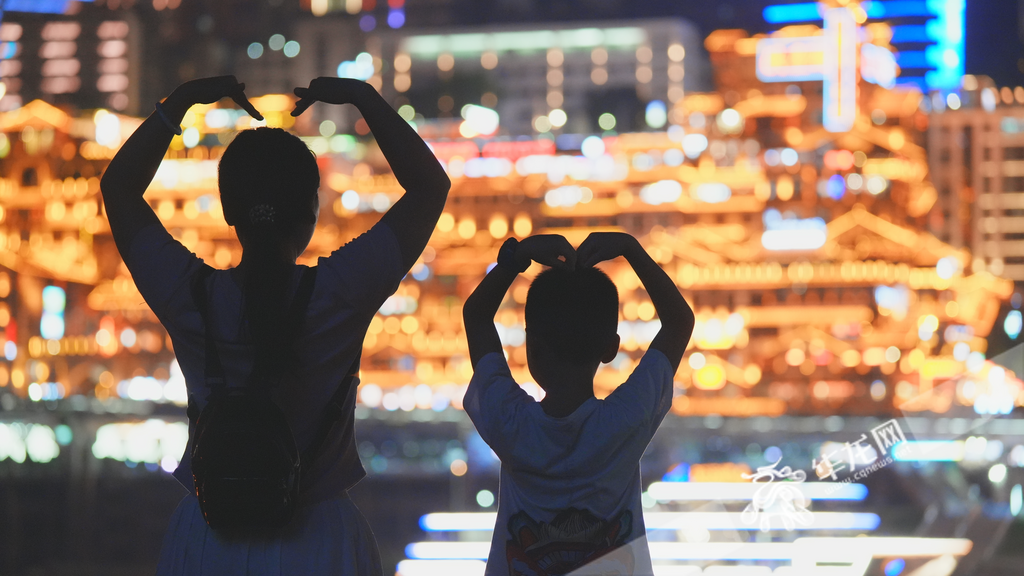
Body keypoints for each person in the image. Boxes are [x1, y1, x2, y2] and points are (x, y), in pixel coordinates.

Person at [100, 76, 450, 575]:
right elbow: (429, 187)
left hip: (207, 538)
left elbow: (118, 187)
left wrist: (177, 102)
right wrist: (364, 100)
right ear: (312, 211)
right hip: (320, 539)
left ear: (227, 210)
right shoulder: (340, 293)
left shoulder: (192, 296)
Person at [462, 232, 694, 576]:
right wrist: (630, 249)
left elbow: (477, 316)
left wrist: (517, 257)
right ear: (611, 348)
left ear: (532, 347)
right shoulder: (625, 422)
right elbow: (679, 321)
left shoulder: (510, 423)